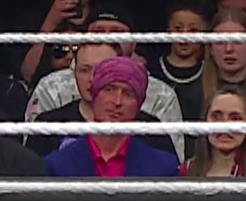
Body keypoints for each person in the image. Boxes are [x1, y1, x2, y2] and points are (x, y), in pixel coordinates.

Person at [43, 57, 181, 177]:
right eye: (109, 89)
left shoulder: (163, 167)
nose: (117, 101)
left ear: (138, 105)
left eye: (128, 94)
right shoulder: (57, 165)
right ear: (94, 95)